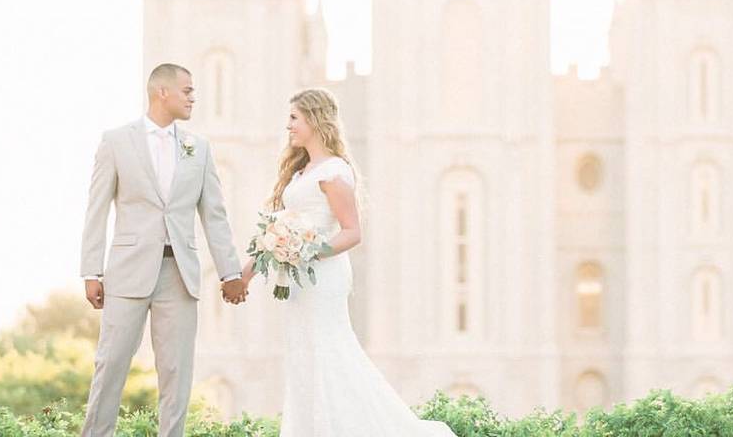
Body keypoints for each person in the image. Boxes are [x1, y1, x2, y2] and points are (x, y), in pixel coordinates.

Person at [240, 87, 457, 436]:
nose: (288, 126)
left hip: (321, 278)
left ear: (314, 118)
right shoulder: (303, 170)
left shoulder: (334, 172)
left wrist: (306, 251)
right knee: (304, 358)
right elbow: (278, 229)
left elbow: (352, 232)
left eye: (294, 118)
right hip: (299, 282)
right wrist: (247, 273)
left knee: (330, 354)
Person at [79, 63, 247, 437]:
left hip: (180, 274)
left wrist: (230, 272)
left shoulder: (198, 148)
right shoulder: (116, 141)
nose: (193, 97)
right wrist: (92, 271)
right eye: (187, 90)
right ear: (162, 93)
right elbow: (97, 208)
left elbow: (215, 216)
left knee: (176, 373)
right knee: (111, 365)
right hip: (126, 272)